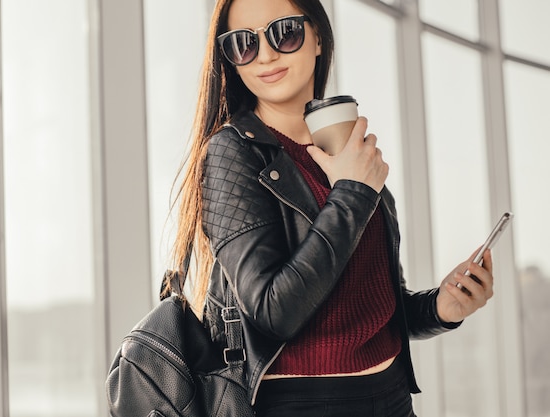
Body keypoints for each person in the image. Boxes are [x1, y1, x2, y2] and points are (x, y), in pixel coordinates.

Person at [168, 0, 494, 416]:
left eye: (284, 32)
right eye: (243, 44)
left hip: (392, 397)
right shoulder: (232, 152)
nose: (265, 54)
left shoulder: (344, 151)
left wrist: (441, 308)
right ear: (229, 60)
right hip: (300, 406)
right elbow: (273, 313)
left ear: (318, 36)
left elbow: (371, 306)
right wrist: (354, 191)